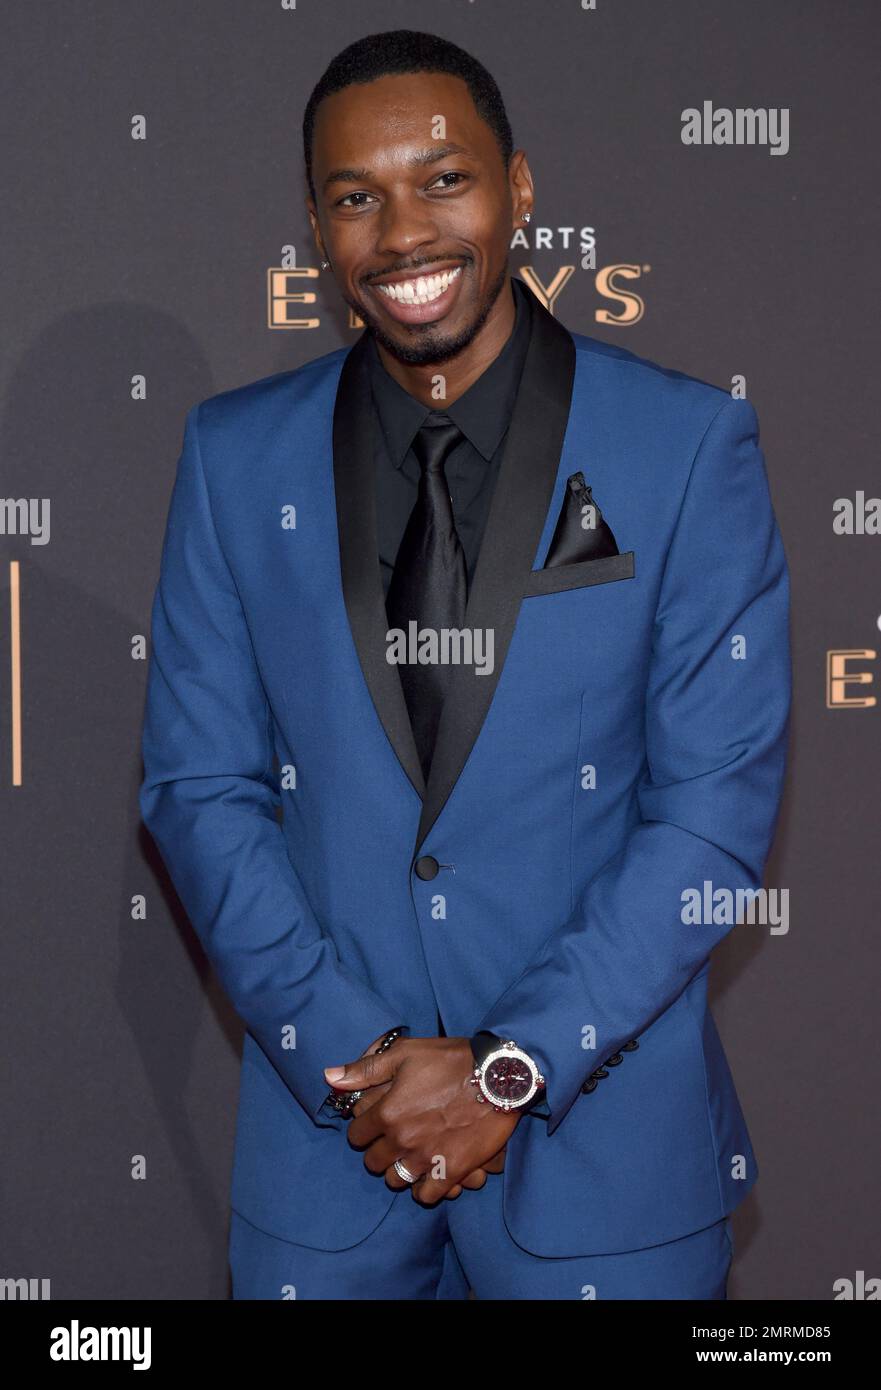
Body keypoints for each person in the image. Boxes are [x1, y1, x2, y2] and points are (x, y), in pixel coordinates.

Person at [139, 28, 791, 1300]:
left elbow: (712, 818)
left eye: (443, 180)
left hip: (607, 1174)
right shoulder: (233, 460)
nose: (403, 233)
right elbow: (198, 792)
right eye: (354, 197)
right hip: (327, 1169)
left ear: (520, 189)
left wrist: (507, 1068)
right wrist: (367, 1058)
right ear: (317, 231)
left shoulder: (683, 444)